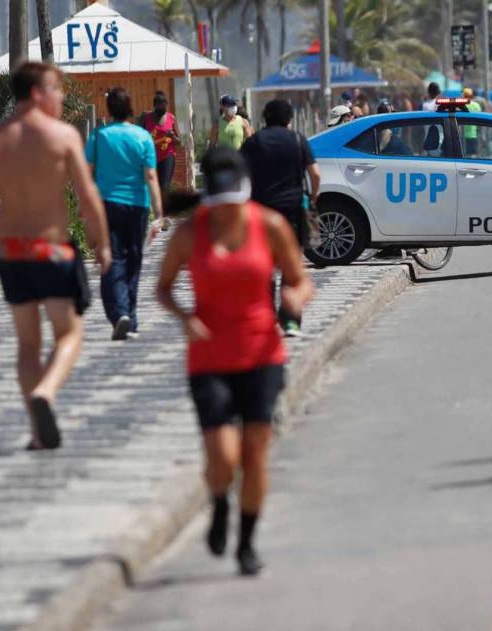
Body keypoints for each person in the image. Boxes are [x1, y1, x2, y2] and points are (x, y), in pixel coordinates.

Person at [156, 147, 314, 576]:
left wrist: (293, 299)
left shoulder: (270, 225)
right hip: (209, 359)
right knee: (223, 458)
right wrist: (184, 317)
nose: (227, 211)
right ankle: (220, 502)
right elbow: (163, 288)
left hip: (262, 355)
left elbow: (300, 280)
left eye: (234, 203)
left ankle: (246, 542)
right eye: (219, 203)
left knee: (255, 454)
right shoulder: (190, 233)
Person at [0, 62, 111, 449]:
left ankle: (37, 431)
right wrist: (101, 243)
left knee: (27, 344)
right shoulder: (62, 136)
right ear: (36, 93)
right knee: (69, 334)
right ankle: (46, 392)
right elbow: (88, 196)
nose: (61, 96)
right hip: (51, 250)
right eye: (56, 88)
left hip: (11, 254)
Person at [86, 87, 164, 341]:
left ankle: (119, 313)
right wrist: (159, 213)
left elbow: (87, 172)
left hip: (107, 205)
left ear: (108, 109)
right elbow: (150, 176)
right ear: (130, 108)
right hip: (138, 206)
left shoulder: (99, 136)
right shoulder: (143, 136)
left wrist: (84, 207)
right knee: (133, 259)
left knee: (112, 258)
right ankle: (130, 317)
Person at [241, 99, 320, 338]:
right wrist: (313, 197)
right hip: (292, 211)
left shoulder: (254, 142)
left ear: (265, 117)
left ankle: (265, 318)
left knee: (263, 267)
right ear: (289, 118)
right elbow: (315, 174)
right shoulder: (297, 139)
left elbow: (239, 175)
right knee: (291, 267)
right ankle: (290, 321)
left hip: (261, 213)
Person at [140, 91, 181, 192]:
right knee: (152, 186)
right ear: (154, 106)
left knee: (164, 187)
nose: (162, 110)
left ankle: (164, 201)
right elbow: (140, 139)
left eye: (164, 107)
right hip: (151, 157)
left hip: (167, 156)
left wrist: (172, 136)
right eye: (159, 107)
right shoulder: (146, 119)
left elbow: (179, 141)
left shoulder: (171, 118)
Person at [462, 88, 482, 156]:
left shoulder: (461, 105)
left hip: (462, 135)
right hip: (474, 134)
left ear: (464, 96)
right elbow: (480, 119)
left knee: (464, 155)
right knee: (473, 154)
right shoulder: (476, 105)